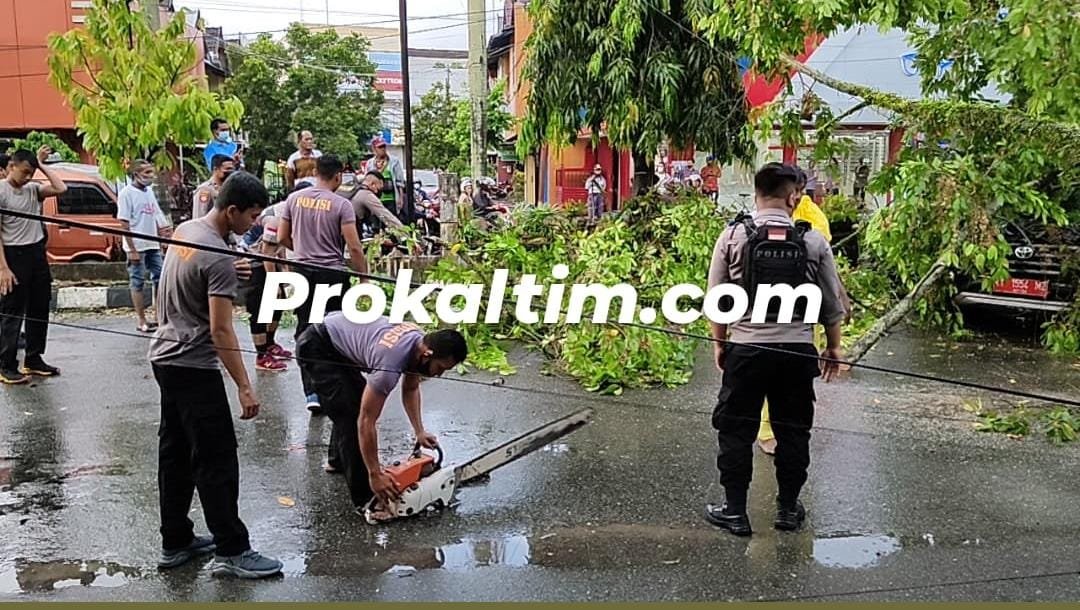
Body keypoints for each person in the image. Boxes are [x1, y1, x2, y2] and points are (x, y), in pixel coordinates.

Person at [148, 171, 282, 578]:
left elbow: (200, 274)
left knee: (175, 455)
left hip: (165, 356)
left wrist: (231, 266)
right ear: (232, 210)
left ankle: (176, 541)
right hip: (193, 365)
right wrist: (245, 385)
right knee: (216, 458)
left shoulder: (190, 230)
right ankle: (232, 549)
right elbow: (222, 329)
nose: (254, 224)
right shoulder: (219, 256)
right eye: (252, 216)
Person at [704, 162, 847, 536]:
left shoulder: (733, 235)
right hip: (797, 352)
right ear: (792, 196)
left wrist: (721, 344)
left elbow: (718, 300)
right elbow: (832, 303)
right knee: (793, 430)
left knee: (735, 431)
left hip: (746, 349)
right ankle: (786, 510)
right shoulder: (813, 240)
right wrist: (833, 347)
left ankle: (735, 511)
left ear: (757, 192)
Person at [296, 313, 467, 520]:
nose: (439, 374)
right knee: (352, 417)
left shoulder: (418, 343)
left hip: (337, 341)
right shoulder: (389, 364)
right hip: (318, 346)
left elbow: (411, 389)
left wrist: (419, 431)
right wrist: (375, 474)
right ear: (427, 354)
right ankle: (368, 500)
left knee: (352, 402)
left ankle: (338, 461)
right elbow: (366, 422)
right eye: (439, 368)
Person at [278, 155, 368, 415]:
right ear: (338, 176)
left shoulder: (293, 200)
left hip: (303, 273)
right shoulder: (342, 205)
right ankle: (338, 388)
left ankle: (312, 392)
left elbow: (282, 237)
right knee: (338, 331)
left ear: (315, 172)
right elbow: (354, 246)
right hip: (333, 275)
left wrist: (304, 251)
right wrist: (363, 278)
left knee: (306, 331)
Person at [754, 168, 836, 456]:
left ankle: (781, 433)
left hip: (791, 315)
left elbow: (826, 269)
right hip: (784, 317)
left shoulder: (813, 219)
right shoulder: (761, 221)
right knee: (781, 380)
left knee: (783, 381)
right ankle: (771, 432)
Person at [0, 147, 67, 384]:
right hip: (12, 254)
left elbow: (61, 188)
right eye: (24, 172)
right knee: (13, 310)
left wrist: (42, 166)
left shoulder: (32, 190)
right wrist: (3, 269)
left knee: (39, 306)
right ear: (11, 166)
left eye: (31, 173)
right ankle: (6, 365)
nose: (28, 177)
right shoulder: (1, 192)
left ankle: (33, 358)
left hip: (36, 252)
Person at [118, 160, 172, 334]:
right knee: (138, 281)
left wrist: (162, 238)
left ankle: (158, 316)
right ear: (136, 174)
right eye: (147, 173)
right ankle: (141, 319)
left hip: (152, 244)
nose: (150, 177)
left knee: (160, 278)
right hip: (137, 246)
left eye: (151, 173)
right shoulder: (126, 194)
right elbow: (124, 224)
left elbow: (156, 216)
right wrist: (132, 249)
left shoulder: (149, 192)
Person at [361, 136, 405, 221]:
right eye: (380, 147)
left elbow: (399, 182)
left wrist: (400, 198)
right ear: (374, 149)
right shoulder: (370, 163)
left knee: (391, 222)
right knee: (377, 223)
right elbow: (366, 182)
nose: (383, 149)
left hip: (391, 199)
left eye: (384, 146)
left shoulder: (394, 161)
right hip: (375, 199)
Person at [192, 154, 236, 219]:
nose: (230, 172)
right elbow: (199, 216)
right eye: (227, 169)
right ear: (215, 169)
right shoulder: (205, 190)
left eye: (232, 169)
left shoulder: (229, 189)